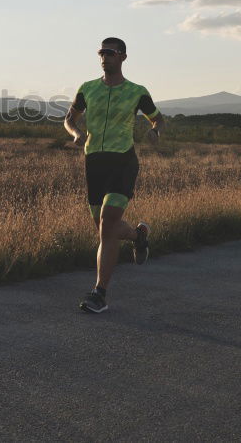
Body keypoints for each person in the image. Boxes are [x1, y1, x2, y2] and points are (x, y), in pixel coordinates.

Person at [63, 37, 164, 313]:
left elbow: (157, 117)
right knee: (103, 228)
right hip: (94, 161)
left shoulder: (137, 91)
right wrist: (75, 133)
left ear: (122, 57)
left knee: (107, 226)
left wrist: (155, 130)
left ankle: (99, 293)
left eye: (110, 52)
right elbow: (69, 118)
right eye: (101, 52)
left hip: (122, 161)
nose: (104, 57)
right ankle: (138, 235)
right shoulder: (87, 89)